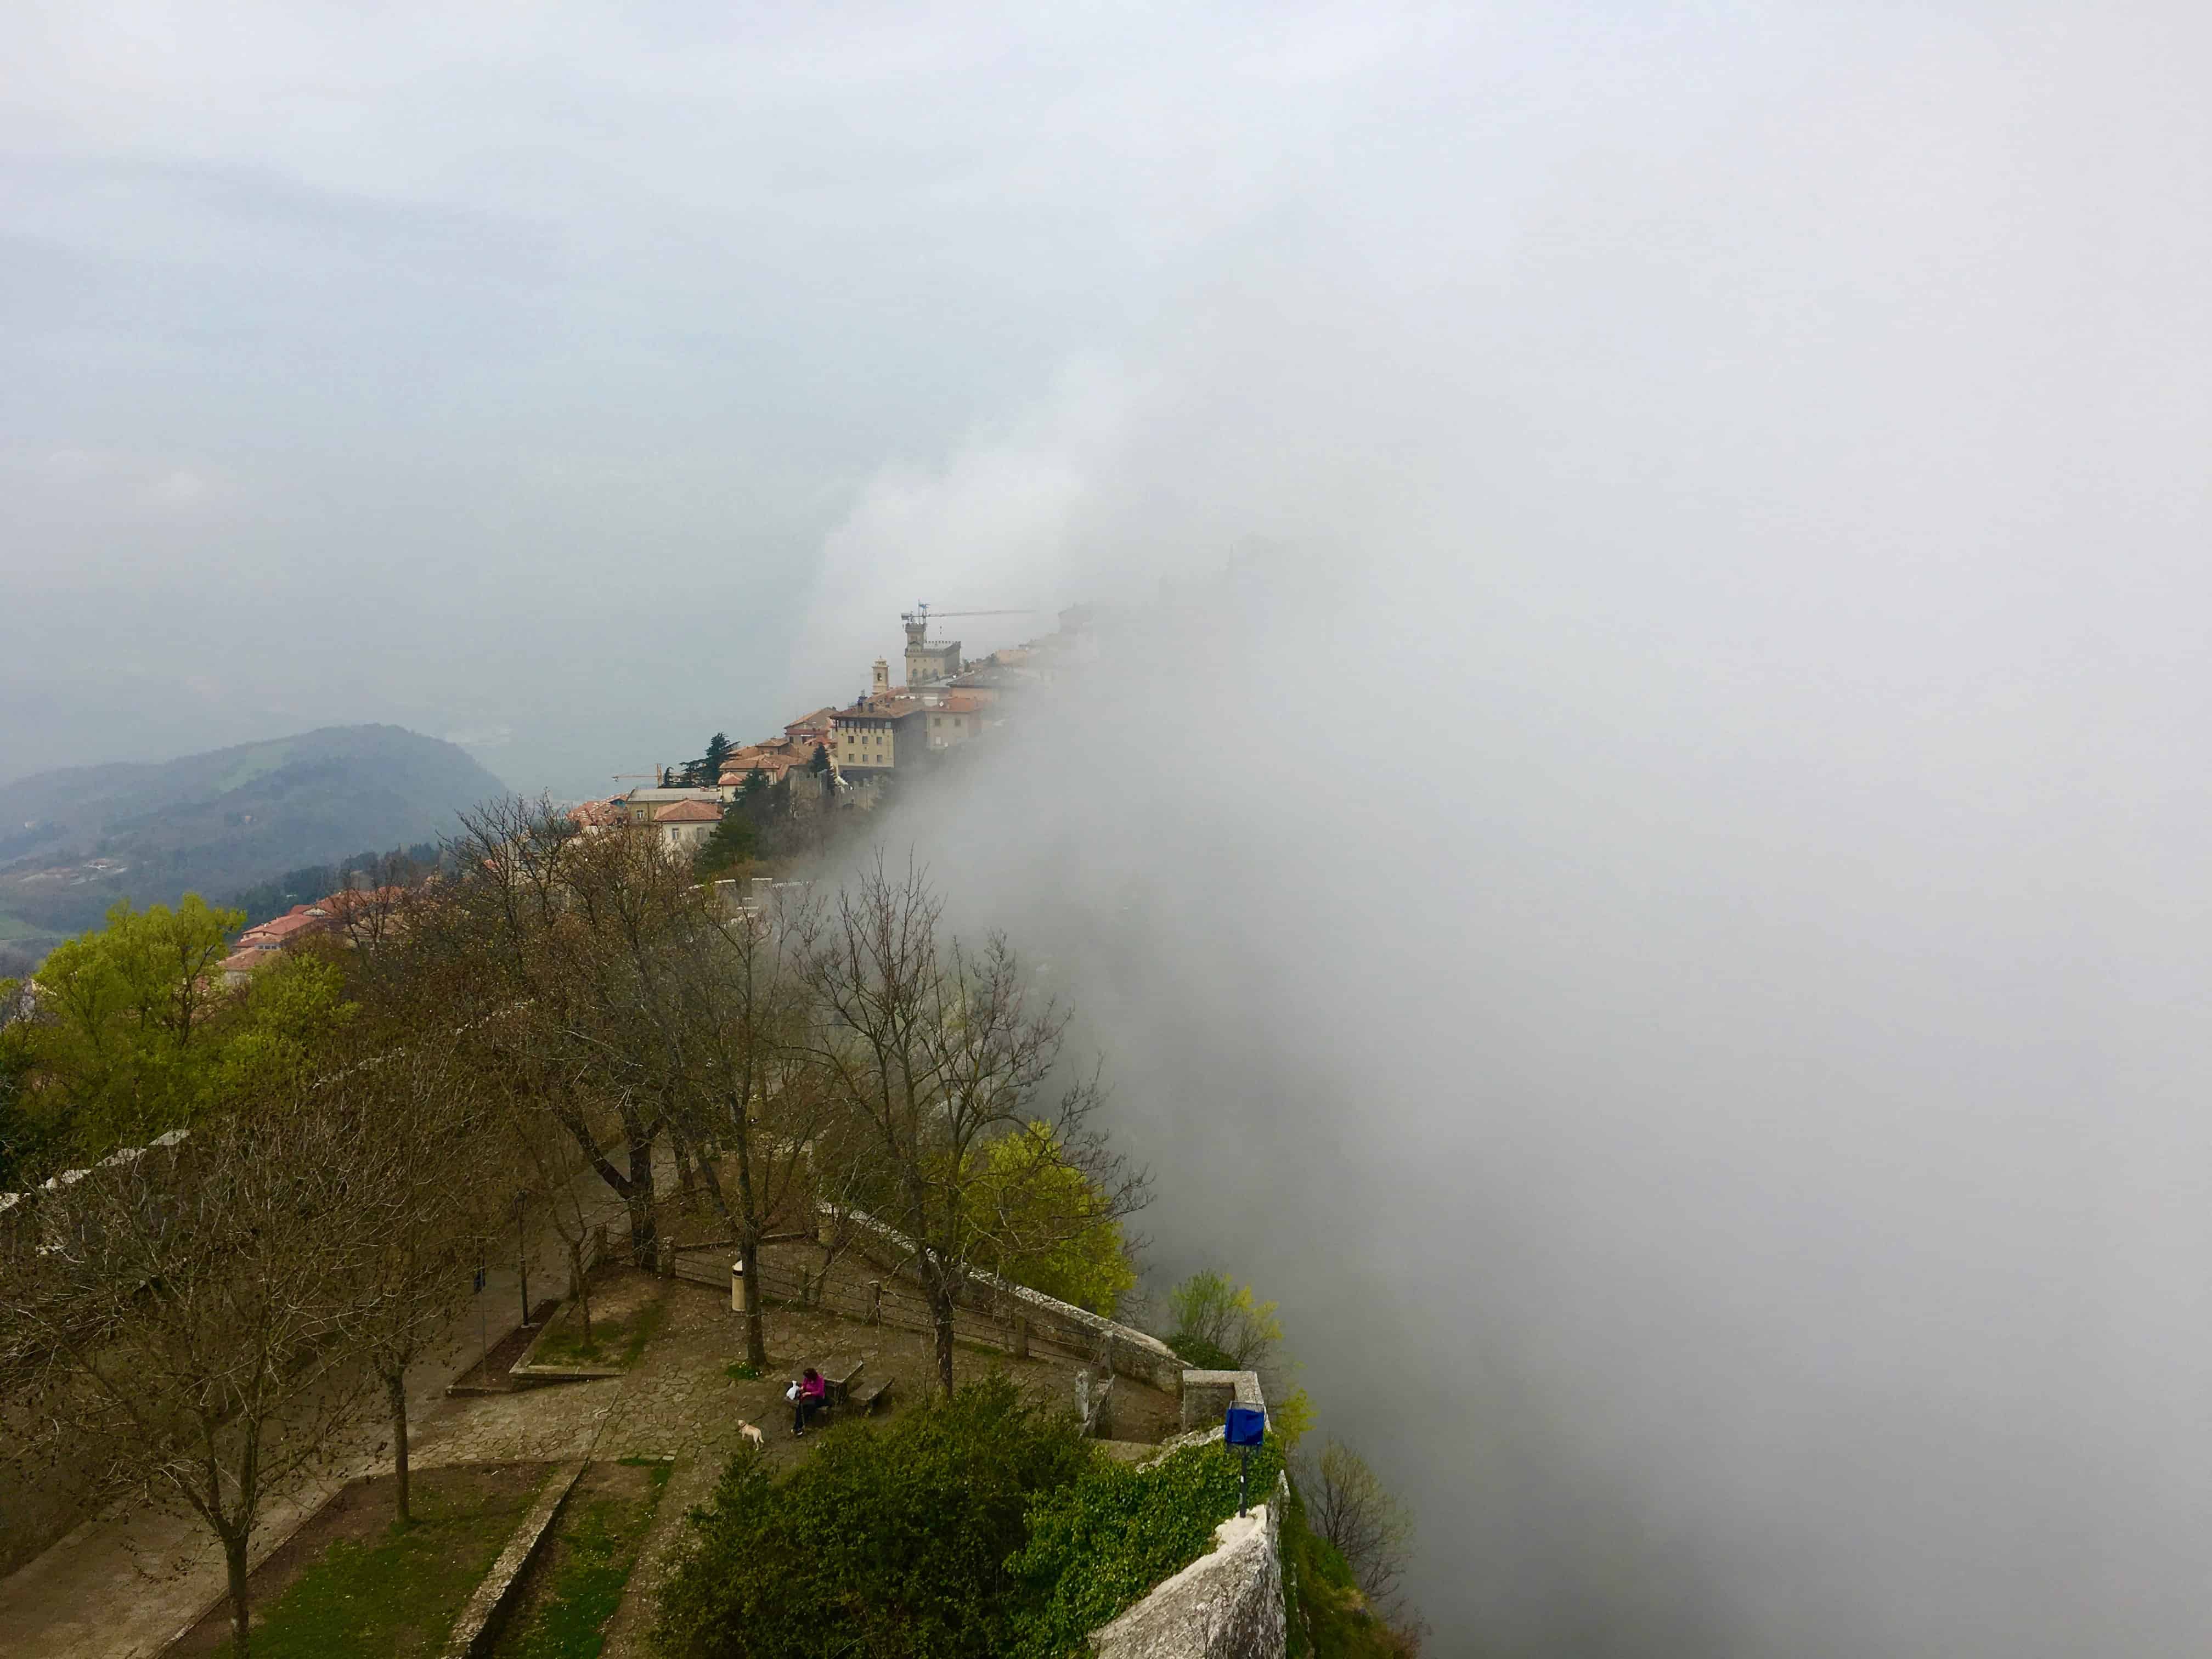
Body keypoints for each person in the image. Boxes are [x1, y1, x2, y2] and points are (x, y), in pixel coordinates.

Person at [791, 1366, 827, 1436]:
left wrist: (809, 1393)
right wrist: (802, 1388)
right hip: (808, 1397)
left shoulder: (820, 1380)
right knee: (799, 1409)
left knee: (808, 1409)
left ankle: (800, 1425)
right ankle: (796, 1426)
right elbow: (804, 1384)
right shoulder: (807, 1379)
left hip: (818, 1398)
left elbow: (820, 1392)